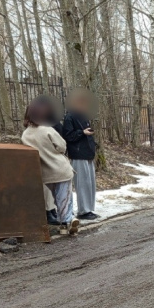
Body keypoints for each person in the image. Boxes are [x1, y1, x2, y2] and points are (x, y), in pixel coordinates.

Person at [21, 97, 80, 236]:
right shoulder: (47, 130)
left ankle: (64, 223)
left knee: (57, 198)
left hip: (46, 173)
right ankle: (68, 220)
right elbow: (62, 146)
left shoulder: (25, 134)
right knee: (65, 198)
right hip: (60, 169)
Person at [62, 90, 100, 221]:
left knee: (90, 183)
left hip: (88, 153)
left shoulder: (83, 116)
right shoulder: (69, 117)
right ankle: (84, 211)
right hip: (78, 154)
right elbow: (68, 136)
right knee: (83, 184)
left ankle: (89, 209)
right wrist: (82, 133)